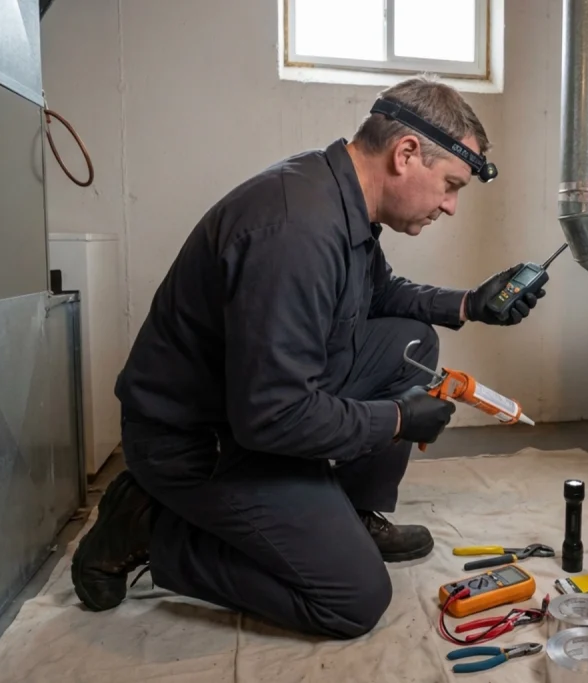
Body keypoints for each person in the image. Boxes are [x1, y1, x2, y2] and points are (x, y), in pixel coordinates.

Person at [70, 75, 545, 639]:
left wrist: (470, 304)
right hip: (199, 444)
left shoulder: (338, 192)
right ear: (407, 153)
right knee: (353, 599)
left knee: (410, 343)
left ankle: (351, 515)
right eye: (449, 185)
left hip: (246, 408)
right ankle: (149, 528)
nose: (450, 206)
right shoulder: (295, 232)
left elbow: (378, 293)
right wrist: (396, 419)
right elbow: (273, 414)